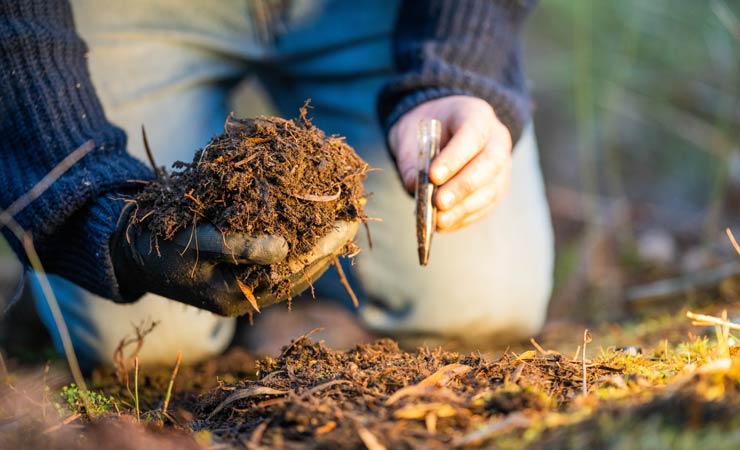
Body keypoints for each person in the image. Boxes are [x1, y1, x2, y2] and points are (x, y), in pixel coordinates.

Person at [0, 0, 554, 369]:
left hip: (372, 12)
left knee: (478, 303)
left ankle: (318, 292)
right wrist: (76, 202)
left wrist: (454, 71)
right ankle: (39, 287)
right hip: (128, 12)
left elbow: (465, 44)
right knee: (140, 345)